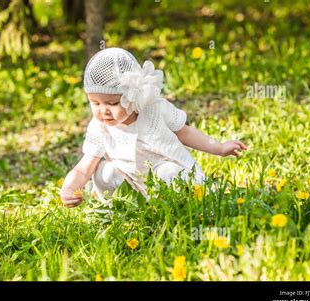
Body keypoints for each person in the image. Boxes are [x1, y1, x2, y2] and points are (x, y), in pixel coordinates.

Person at [60, 48, 247, 207]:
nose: (104, 111)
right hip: (134, 187)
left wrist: (219, 148)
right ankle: (121, 208)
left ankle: (182, 204)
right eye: (95, 103)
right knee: (103, 172)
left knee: (167, 172)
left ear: (132, 96)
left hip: (168, 175)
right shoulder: (99, 127)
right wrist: (69, 188)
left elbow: (185, 133)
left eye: (112, 103)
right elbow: (84, 168)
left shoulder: (155, 109)